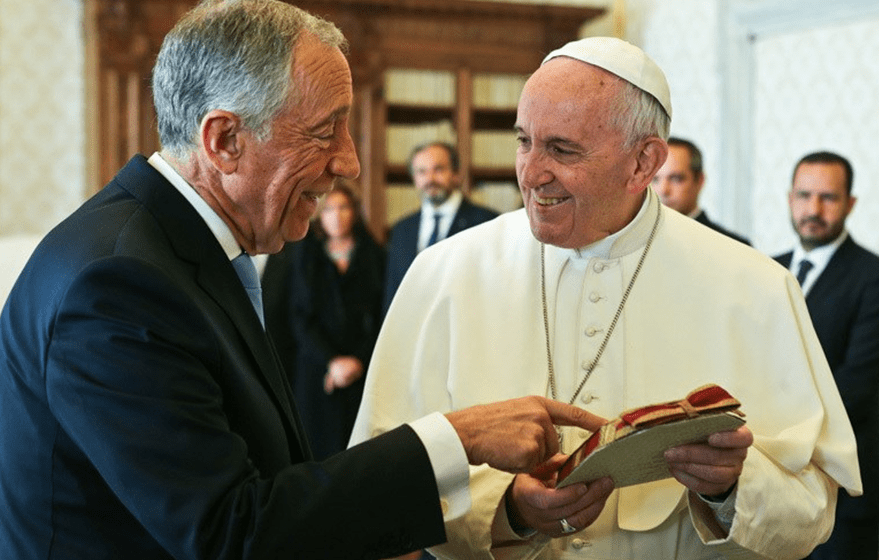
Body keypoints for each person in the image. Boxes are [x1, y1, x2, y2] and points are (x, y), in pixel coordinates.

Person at [0, 2, 608, 559]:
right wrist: (456, 439)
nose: (350, 162)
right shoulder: (118, 286)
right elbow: (233, 533)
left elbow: (264, 484)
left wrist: (495, 505)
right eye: (326, 130)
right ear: (225, 140)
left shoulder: (176, 251)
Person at [351, 36, 862, 559]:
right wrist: (508, 512)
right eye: (524, 141)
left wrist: (732, 486)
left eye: (562, 149)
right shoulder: (445, 272)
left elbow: (813, 510)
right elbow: (373, 486)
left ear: (643, 163)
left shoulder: (754, 285)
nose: (531, 174)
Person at [774, 151, 879, 560]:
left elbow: (857, 385)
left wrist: (773, 429)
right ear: (790, 198)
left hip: (844, 481)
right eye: (804, 195)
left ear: (850, 204)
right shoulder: (768, 271)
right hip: (771, 483)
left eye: (828, 198)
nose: (813, 209)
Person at [262, 181, 385, 460]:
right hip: (316, 370)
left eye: (343, 207)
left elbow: (382, 314)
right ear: (319, 215)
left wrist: (357, 361)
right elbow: (298, 316)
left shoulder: (376, 255)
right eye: (329, 209)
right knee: (318, 453)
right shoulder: (303, 256)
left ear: (355, 212)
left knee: (363, 453)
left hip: (363, 369)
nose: (337, 215)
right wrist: (332, 362)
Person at [383, 142, 498, 311]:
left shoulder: (487, 222)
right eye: (421, 171)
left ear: (456, 174)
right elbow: (391, 298)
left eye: (438, 169)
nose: (430, 179)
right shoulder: (401, 230)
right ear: (414, 178)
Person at [651, 137, 751, 245]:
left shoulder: (734, 246)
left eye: (676, 179)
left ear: (699, 180)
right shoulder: (634, 241)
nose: (663, 190)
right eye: (654, 179)